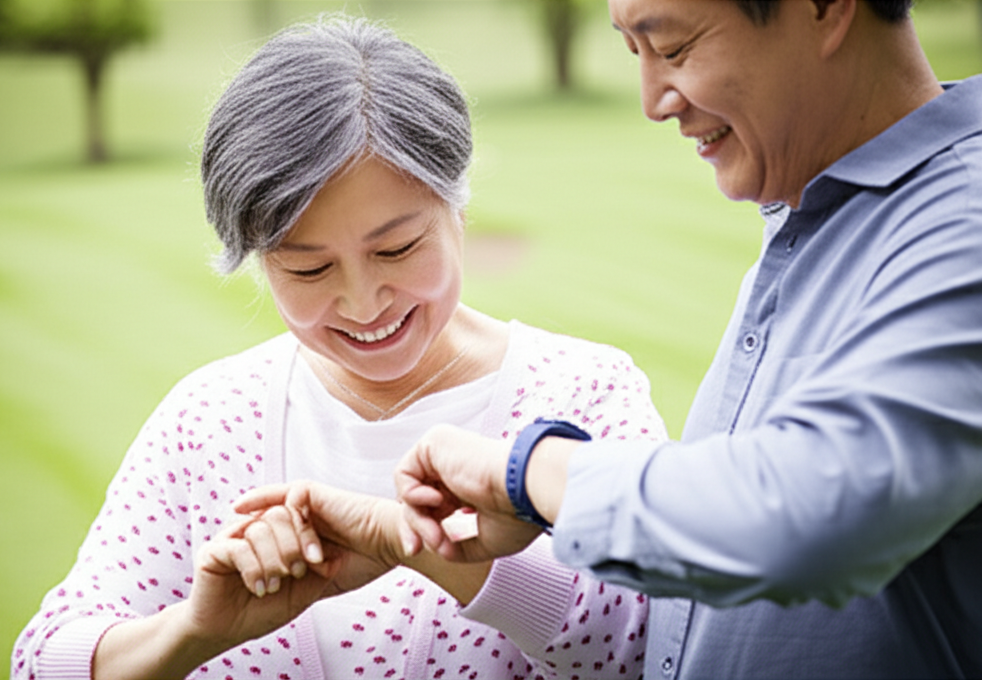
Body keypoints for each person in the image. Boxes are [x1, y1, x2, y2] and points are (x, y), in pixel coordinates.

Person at [11, 15, 668, 680]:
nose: (363, 303)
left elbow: (653, 647)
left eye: (397, 249)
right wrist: (193, 630)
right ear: (260, 262)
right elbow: (41, 663)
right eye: (308, 269)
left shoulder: (583, 392)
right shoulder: (207, 420)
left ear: (458, 206)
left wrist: (421, 548)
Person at [395, 0, 982, 678]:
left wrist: (528, 471)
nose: (652, 101)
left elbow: (798, 511)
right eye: (632, 53)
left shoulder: (961, 226)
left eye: (673, 50)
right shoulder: (818, 206)